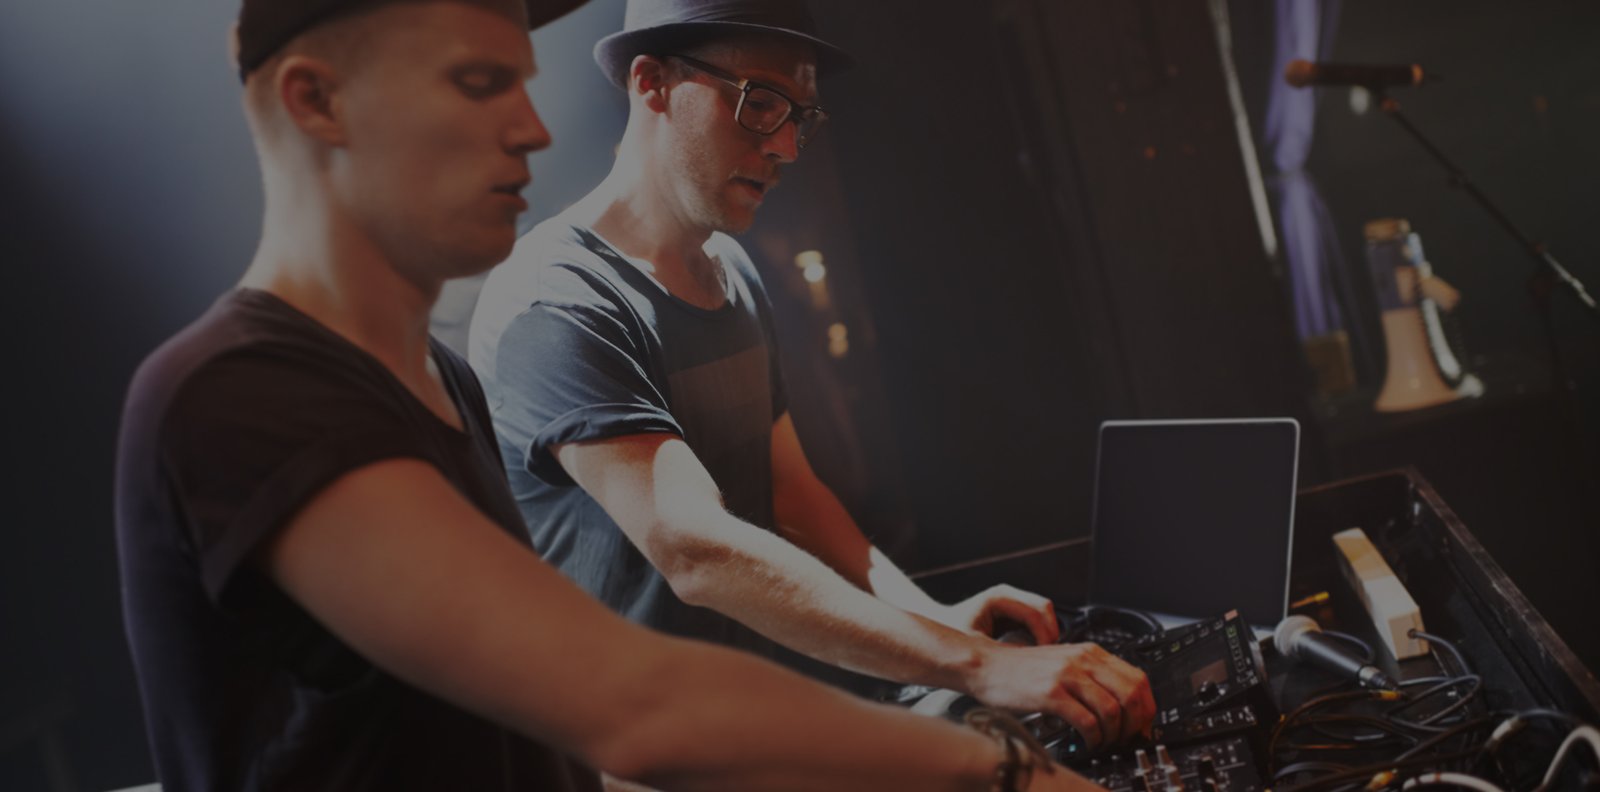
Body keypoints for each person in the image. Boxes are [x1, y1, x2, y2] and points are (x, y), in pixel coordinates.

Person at [113, 0, 1101, 789]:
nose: (534, 129)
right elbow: (634, 696)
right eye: (477, 83)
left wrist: (941, 642)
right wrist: (989, 754)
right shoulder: (241, 396)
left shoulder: (436, 378)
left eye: (521, 84)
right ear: (316, 100)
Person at [468, 0, 1155, 752]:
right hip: (638, 757)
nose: (788, 146)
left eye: (801, 115)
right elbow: (695, 550)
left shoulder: (731, 269)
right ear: (652, 83)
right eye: (760, 102)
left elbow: (792, 493)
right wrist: (981, 665)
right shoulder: (558, 300)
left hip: (764, 725)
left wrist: (933, 619)